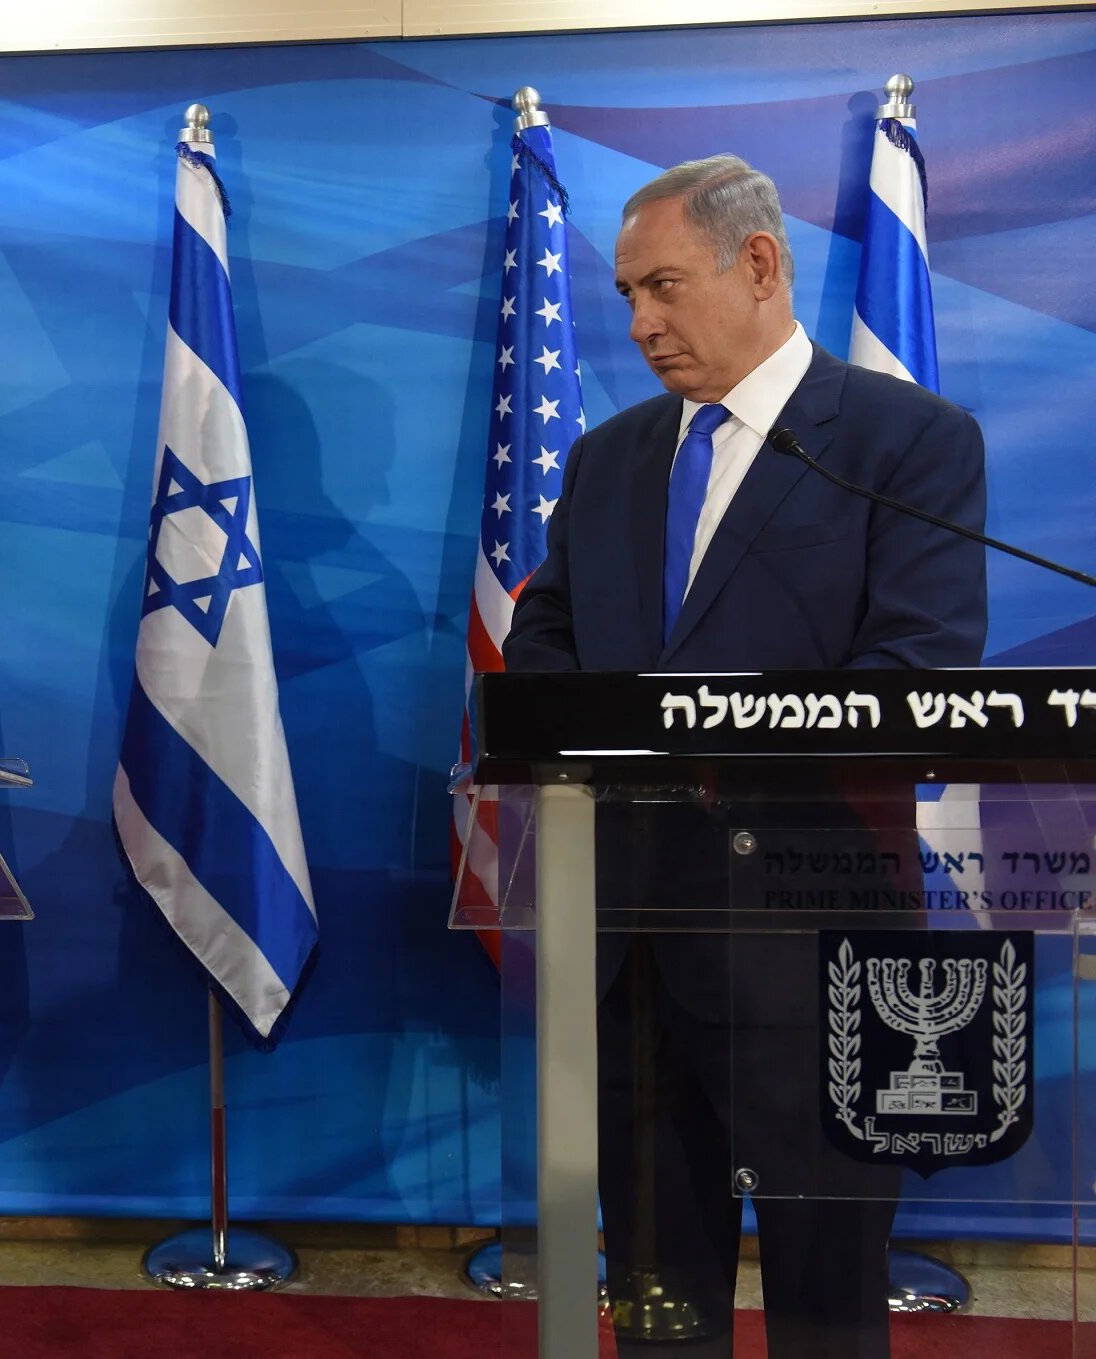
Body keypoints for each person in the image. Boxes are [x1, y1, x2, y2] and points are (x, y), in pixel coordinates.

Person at [504, 155, 986, 1359]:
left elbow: (916, 672)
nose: (638, 323)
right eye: (626, 294)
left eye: (662, 286)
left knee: (826, 1308)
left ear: (758, 263)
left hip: (812, 946)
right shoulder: (608, 457)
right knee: (657, 1303)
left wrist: (694, 733)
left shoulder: (901, 442)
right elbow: (541, 640)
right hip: (629, 946)